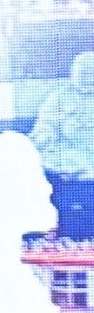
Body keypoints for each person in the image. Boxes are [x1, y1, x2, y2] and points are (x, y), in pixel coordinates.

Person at [30, 49, 94, 237]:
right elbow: (45, 125)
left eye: (90, 72)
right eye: (82, 72)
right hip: (69, 158)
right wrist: (43, 136)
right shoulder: (59, 97)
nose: (86, 77)